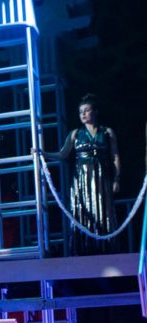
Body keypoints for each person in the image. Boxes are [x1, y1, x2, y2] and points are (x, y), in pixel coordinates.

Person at [46, 93, 121, 254]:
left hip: (101, 178)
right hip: (81, 179)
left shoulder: (107, 132)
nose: (83, 114)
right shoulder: (75, 134)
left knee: (104, 212)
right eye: (81, 112)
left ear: (95, 111)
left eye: (87, 110)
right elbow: (62, 154)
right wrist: (42, 153)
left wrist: (116, 179)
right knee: (82, 211)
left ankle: (106, 249)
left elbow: (115, 157)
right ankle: (84, 250)